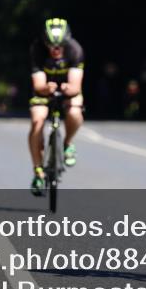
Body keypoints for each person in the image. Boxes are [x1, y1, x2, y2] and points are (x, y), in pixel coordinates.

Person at [29, 18, 85, 195]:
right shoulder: (36, 50)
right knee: (37, 121)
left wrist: (69, 89)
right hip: (44, 91)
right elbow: (38, 85)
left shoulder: (75, 50)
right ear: (45, 42)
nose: (56, 49)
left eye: (60, 45)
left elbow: (76, 85)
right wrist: (46, 88)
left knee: (75, 112)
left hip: (68, 90)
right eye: (51, 45)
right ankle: (38, 171)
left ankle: (67, 143)